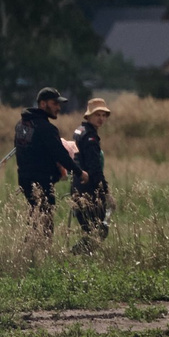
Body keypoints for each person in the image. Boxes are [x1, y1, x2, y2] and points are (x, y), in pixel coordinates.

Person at [12, 87, 79, 238]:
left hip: (24, 180)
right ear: (43, 104)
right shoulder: (46, 128)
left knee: (34, 221)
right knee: (45, 227)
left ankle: (30, 254)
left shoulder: (21, 125)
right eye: (55, 103)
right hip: (42, 182)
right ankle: (38, 256)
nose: (58, 108)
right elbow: (61, 155)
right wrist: (80, 172)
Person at [70, 96, 112, 240]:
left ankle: (81, 257)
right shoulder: (90, 137)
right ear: (89, 116)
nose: (101, 118)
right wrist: (106, 192)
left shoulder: (79, 131)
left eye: (103, 115)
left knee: (90, 231)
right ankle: (75, 255)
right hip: (89, 191)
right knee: (97, 233)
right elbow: (94, 169)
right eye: (97, 115)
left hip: (76, 187)